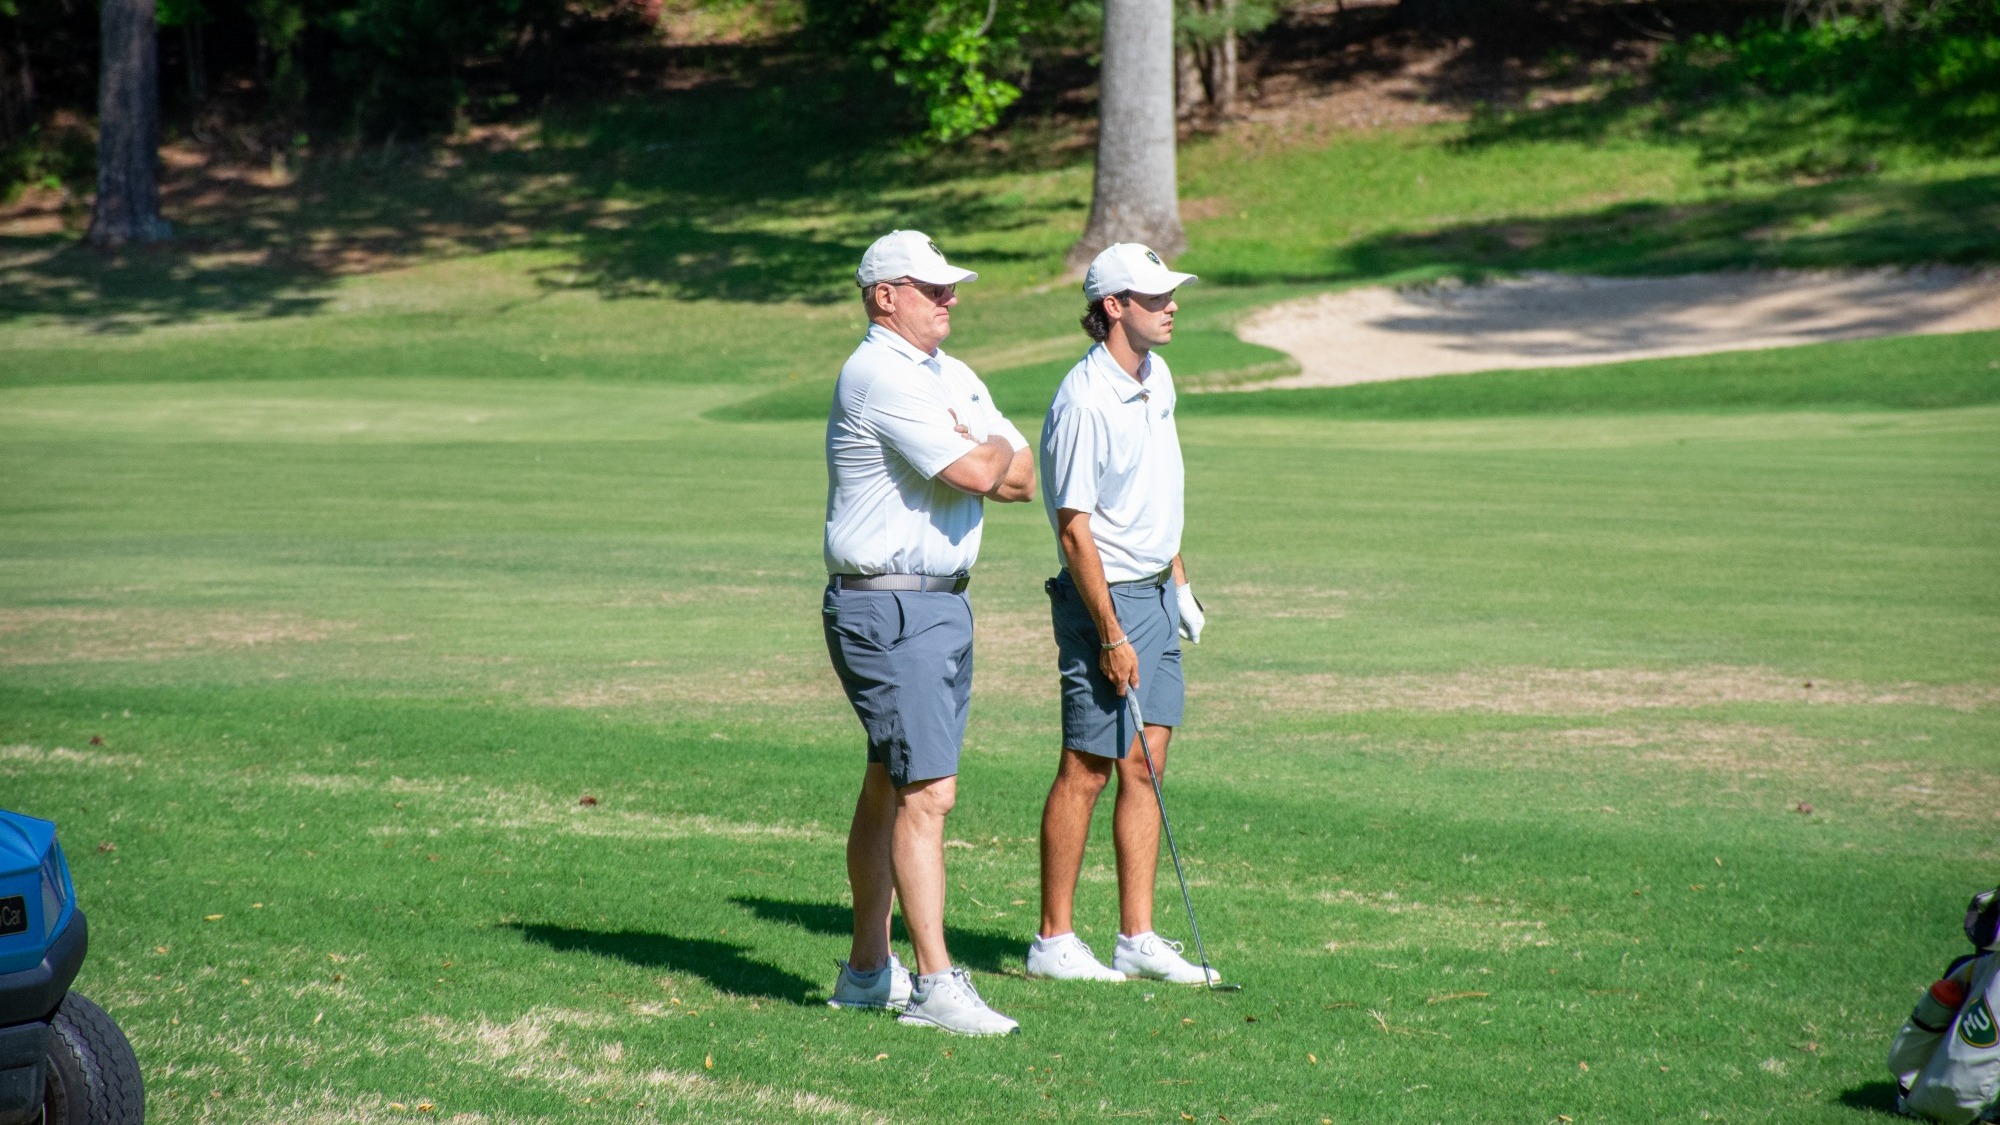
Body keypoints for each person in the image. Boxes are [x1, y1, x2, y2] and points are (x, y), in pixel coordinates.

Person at [821, 230, 1035, 1036]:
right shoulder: (879, 372)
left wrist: (982, 447)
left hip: (939, 603)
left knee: (890, 780)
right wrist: (986, 444)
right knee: (928, 792)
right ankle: (936, 985)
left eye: (951, 287)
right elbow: (984, 471)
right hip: (891, 605)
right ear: (885, 296)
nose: (950, 298)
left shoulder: (950, 374)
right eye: (931, 287)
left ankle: (867, 972)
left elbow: (1022, 477)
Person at [1027, 242, 1218, 986]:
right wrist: (1110, 634)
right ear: (1114, 306)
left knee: (1147, 763)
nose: (1172, 306)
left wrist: (1180, 583)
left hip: (1156, 591)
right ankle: (1053, 939)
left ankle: (1136, 936)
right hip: (1103, 599)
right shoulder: (1083, 400)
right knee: (1087, 767)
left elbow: (1155, 492)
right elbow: (1074, 528)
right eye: (1155, 296)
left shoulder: (1155, 376)